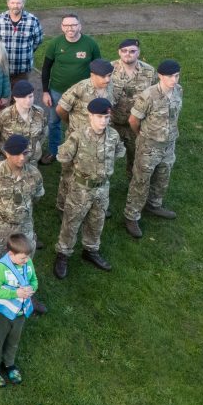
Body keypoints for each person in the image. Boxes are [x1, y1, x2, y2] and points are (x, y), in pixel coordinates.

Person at [0, 135, 45, 316]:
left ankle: (26, 294)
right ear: (6, 153)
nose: (22, 158)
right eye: (16, 154)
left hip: (24, 225)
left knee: (25, 261)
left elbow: (36, 196)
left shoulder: (34, 174)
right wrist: (2, 213)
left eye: (25, 153)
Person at [53, 98, 124, 278]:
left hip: (102, 188)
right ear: (90, 116)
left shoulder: (114, 136)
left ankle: (91, 250)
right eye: (99, 117)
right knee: (71, 221)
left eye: (107, 117)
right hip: (80, 189)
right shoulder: (78, 136)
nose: (103, 121)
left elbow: (119, 152)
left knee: (97, 220)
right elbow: (63, 157)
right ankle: (63, 254)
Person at [124, 60, 183, 239]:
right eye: (170, 76)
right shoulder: (148, 95)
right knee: (141, 181)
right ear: (160, 76)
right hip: (149, 146)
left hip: (169, 144)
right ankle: (131, 215)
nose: (174, 80)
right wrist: (142, 135)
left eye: (177, 76)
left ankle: (154, 204)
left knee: (162, 177)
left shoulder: (179, 91)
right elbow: (133, 120)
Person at [54, 58, 114, 212]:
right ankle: (63, 206)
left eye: (109, 75)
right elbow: (61, 109)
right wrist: (74, 126)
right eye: (104, 76)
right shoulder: (80, 89)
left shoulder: (110, 87)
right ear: (93, 75)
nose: (107, 79)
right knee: (69, 173)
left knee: (98, 171)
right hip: (78, 141)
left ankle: (97, 204)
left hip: (100, 140)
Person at [40, 14, 101, 162]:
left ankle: (80, 151)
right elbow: (46, 68)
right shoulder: (55, 44)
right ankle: (54, 151)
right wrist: (45, 91)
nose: (70, 28)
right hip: (57, 91)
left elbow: (98, 67)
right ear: (62, 27)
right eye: (66, 25)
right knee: (54, 122)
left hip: (83, 93)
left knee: (83, 122)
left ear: (80, 26)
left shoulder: (90, 44)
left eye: (73, 25)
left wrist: (97, 89)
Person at [0, 234, 38, 387]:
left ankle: (9, 364)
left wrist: (32, 289)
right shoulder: (0, 268)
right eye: (22, 258)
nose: (26, 260)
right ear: (11, 254)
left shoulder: (28, 263)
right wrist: (16, 293)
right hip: (3, 313)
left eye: (28, 257)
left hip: (20, 313)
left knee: (14, 341)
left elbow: (34, 280)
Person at [110, 38, 157, 176]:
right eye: (124, 51)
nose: (127, 54)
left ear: (138, 52)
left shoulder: (149, 71)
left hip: (136, 125)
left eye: (132, 51)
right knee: (104, 158)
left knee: (136, 159)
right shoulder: (109, 69)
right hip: (113, 124)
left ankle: (132, 183)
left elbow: (153, 97)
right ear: (119, 52)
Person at [0, 80, 48, 166]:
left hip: (31, 163)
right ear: (15, 98)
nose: (28, 101)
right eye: (24, 97)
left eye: (30, 96)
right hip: (8, 162)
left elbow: (43, 133)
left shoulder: (40, 113)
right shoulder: (3, 116)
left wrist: (35, 148)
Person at [0, 0, 44, 85]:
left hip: (22, 70)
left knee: (20, 98)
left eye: (18, 3)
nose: (15, 6)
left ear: (23, 4)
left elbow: (38, 40)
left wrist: (27, 51)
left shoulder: (32, 21)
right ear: (8, 4)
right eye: (13, 3)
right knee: (2, 97)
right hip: (2, 68)